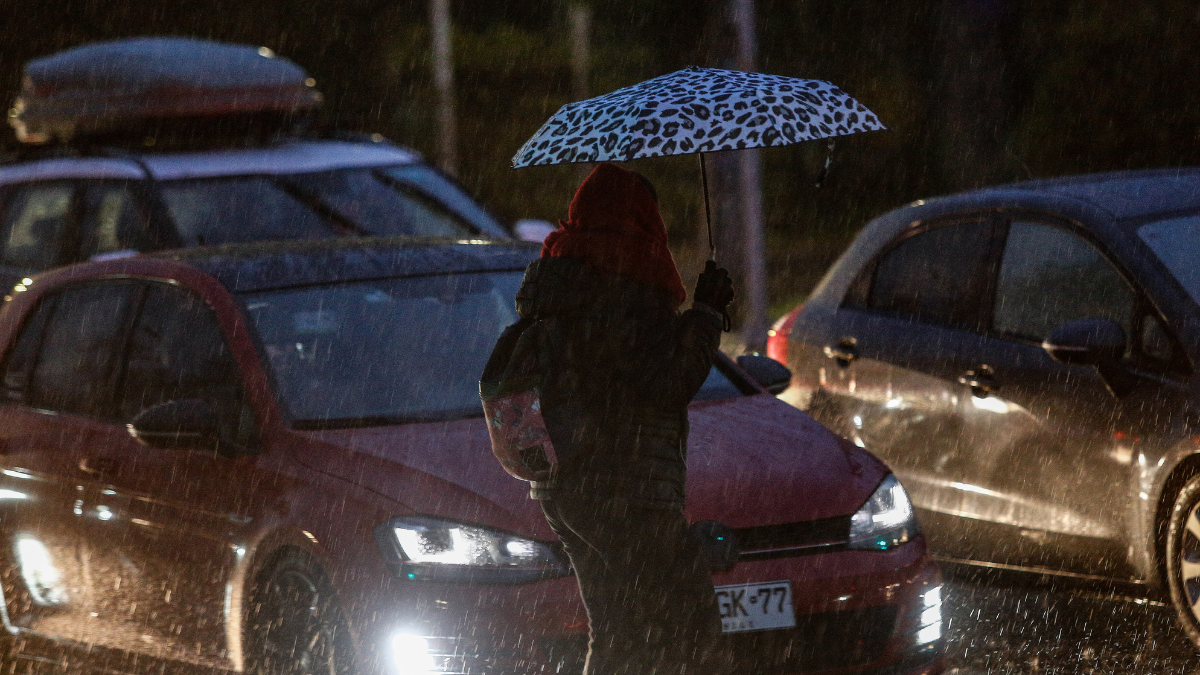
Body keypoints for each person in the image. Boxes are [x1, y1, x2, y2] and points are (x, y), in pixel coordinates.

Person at [513, 162, 735, 675]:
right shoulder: (628, 280)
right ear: (640, 218)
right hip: (630, 488)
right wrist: (705, 312)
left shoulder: (557, 283)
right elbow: (666, 383)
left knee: (616, 629)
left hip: (564, 487)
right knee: (691, 629)